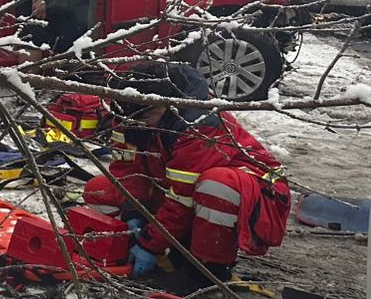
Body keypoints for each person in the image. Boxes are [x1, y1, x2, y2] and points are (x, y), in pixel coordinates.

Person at [83, 63, 290, 285]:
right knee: (100, 189)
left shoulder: (199, 126)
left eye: (144, 117)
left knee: (218, 185)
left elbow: (182, 198)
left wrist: (149, 244)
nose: (138, 125)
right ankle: (135, 250)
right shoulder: (128, 115)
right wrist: (133, 213)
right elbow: (127, 172)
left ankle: (208, 270)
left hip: (255, 196)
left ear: (163, 106)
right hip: (182, 194)